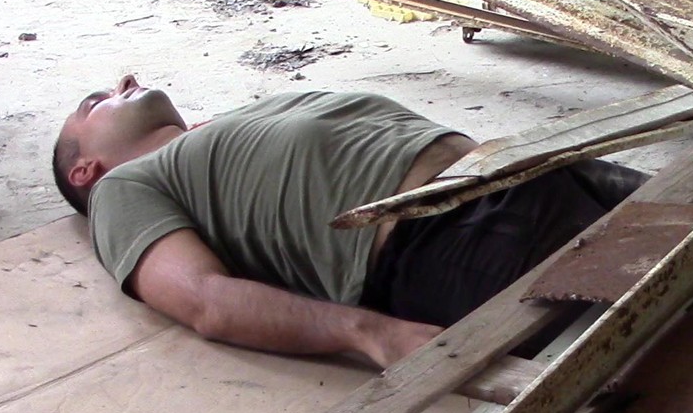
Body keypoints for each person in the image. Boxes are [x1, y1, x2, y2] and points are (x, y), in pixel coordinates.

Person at [52, 75, 645, 368]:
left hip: (524, 172)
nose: (125, 82)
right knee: (669, 308)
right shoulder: (121, 191)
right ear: (85, 170)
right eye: (95, 102)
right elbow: (206, 300)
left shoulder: (219, 135)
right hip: (454, 235)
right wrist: (372, 334)